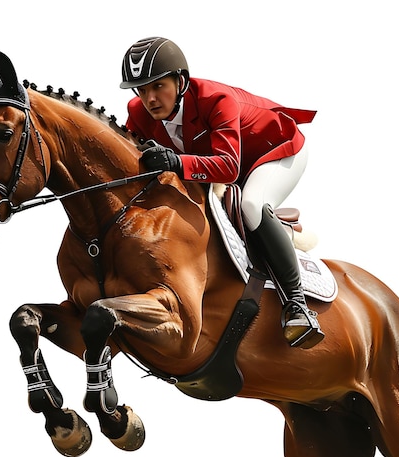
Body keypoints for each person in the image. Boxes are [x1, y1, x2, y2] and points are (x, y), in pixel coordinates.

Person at [120, 36, 324, 349]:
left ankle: (297, 306)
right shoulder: (139, 112)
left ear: (181, 81)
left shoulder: (216, 100)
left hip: (276, 151)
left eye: (158, 86)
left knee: (252, 206)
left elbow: (229, 167)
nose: (150, 99)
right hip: (223, 158)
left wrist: (176, 161)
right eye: (142, 89)